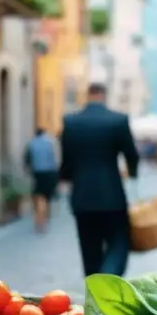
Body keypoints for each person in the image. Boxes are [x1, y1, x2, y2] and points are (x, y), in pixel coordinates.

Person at [60, 82, 140, 276]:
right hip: (112, 194)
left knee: (89, 251)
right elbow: (132, 155)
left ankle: (95, 291)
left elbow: (66, 161)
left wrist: (68, 177)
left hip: (82, 196)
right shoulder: (118, 120)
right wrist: (132, 174)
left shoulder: (71, 122)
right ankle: (110, 277)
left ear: (88, 95)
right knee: (119, 242)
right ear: (104, 95)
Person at [25, 128, 60, 233]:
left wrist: (29, 169)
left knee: (38, 194)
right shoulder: (50, 142)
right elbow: (54, 158)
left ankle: (39, 217)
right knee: (48, 195)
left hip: (37, 173)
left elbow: (27, 159)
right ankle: (46, 215)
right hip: (49, 172)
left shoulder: (32, 144)